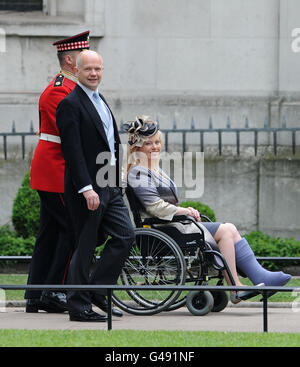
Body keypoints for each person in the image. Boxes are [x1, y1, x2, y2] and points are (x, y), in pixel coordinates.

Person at [125, 115, 291, 304]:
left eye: (157, 142)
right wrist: (184, 211)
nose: (155, 147)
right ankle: (236, 286)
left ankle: (259, 277)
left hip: (173, 225)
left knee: (230, 229)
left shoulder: (154, 169)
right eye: (148, 144)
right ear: (137, 148)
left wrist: (184, 212)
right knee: (225, 231)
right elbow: (154, 206)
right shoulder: (138, 172)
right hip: (162, 228)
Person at [56, 50, 135, 322]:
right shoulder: (70, 104)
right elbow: (72, 151)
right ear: (76, 71)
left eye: (98, 69)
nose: (93, 73)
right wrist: (86, 188)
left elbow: (110, 143)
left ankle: (98, 291)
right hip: (88, 188)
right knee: (85, 245)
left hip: (110, 183)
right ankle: (78, 306)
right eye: (88, 69)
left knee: (126, 235)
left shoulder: (101, 100)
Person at [26, 31, 91, 313]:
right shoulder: (59, 90)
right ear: (69, 60)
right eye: (83, 59)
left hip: (56, 168)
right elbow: (71, 136)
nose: (90, 64)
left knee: (51, 232)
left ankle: (36, 294)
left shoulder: (70, 88)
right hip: (55, 169)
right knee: (72, 229)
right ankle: (54, 290)